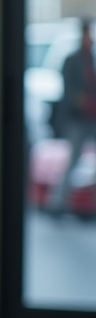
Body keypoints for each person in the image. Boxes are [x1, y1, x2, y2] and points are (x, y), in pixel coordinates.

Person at [48, 18, 96, 215]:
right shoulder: (72, 60)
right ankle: (57, 203)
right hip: (77, 119)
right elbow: (69, 93)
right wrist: (83, 100)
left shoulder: (91, 60)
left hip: (92, 118)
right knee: (73, 160)